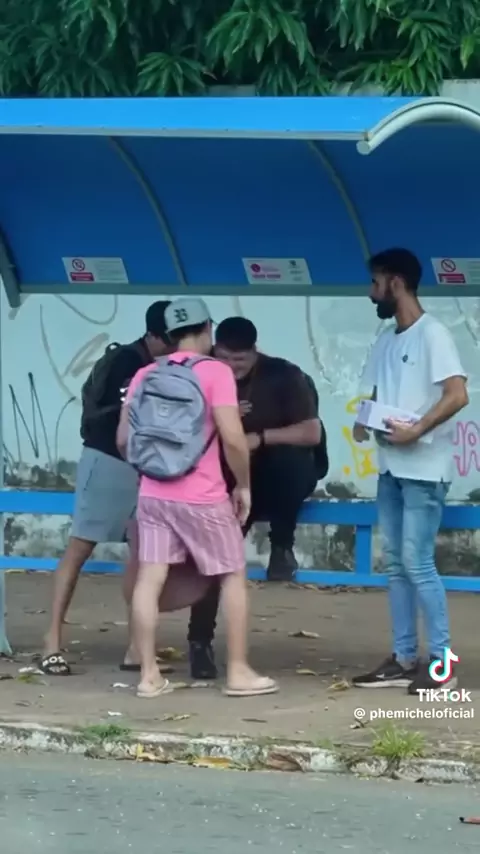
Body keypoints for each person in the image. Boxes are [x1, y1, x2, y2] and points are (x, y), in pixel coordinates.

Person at [117, 297, 277, 699]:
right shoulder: (215, 372)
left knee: (149, 578)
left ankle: (149, 676)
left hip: (153, 494)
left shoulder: (145, 374)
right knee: (232, 575)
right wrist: (243, 485)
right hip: (202, 495)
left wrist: (152, 472)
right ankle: (238, 672)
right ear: (207, 329)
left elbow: (123, 439)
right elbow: (233, 439)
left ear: (170, 334)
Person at [351, 248, 468, 695]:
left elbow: (457, 394)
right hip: (391, 468)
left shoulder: (433, 334)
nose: (371, 293)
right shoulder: (387, 337)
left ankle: (442, 664)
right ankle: (403, 658)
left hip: (424, 470)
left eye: (375, 282)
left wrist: (418, 429)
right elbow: (378, 392)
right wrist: (365, 419)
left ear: (395, 282)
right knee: (397, 564)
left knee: (417, 563)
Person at [188, 316, 323, 680]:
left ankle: (282, 545)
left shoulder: (284, 375)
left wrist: (259, 438)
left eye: (240, 361)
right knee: (214, 565)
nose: (232, 368)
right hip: (227, 480)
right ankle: (199, 643)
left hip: (276, 479)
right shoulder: (202, 374)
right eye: (224, 358)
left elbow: (312, 432)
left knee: (289, 460)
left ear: (255, 352)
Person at [41, 301, 173, 675]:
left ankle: (137, 648)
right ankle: (52, 640)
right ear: (153, 336)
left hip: (145, 467)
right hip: (109, 461)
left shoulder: (166, 364)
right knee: (80, 547)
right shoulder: (127, 362)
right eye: (171, 338)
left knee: (143, 557)